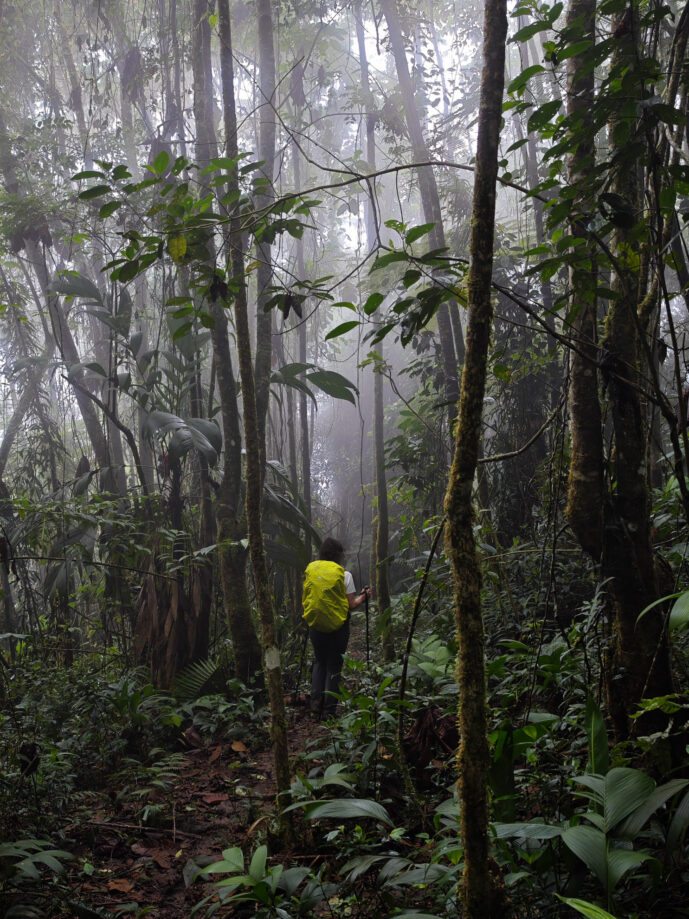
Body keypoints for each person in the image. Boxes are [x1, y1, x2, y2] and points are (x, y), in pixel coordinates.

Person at [302, 537, 371, 718]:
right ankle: (329, 712)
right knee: (334, 665)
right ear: (337, 555)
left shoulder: (311, 569)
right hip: (338, 629)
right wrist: (363, 596)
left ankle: (315, 705)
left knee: (319, 662)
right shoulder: (344, 574)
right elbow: (351, 605)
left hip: (315, 626)